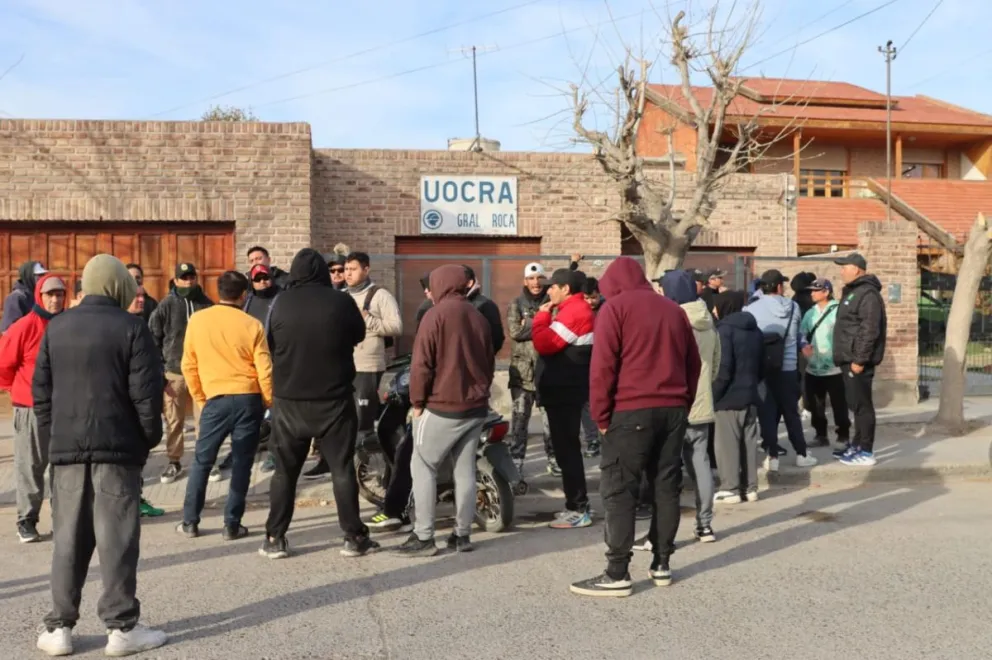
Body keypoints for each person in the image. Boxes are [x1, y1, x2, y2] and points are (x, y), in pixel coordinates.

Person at [33, 254, 167, 657]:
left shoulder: (56, 328)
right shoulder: (132, 328)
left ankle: (59, 628)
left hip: (67, 451)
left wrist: (53, 438)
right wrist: (145, 443)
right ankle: (121, 627)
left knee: (67, 540)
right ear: (118, 287)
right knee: (118, 539)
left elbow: (41, 394)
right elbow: (147, 396)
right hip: (117, 450)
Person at [571, 257, 700, 598]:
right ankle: (661, 563)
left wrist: (600, 416)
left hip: (630, 412)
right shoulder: (674, 310)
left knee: (619, 490)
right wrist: (682, 402)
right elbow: (694, 363)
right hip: (672, 410)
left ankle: (617, 572)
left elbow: (602, 369)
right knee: (665, 487)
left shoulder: (615, 310)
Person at [261, 249, 373, 559]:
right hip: (334, 399)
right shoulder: (341, 300)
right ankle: (353, 537)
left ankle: (275, 538)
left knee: (284, 472)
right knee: (341, 469)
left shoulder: (280, 302)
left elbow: (269, 342)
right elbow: (358, 335)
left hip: (289, 401)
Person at [394, 265, 495, 557]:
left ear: (440, 285)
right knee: (465, 471)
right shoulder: (478, 316)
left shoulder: (434, 315)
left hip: (441, 406)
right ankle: (461, 535)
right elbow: (488, 363)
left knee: (423, 466)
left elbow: (421, 365)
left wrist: (416, 402)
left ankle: (424, 536)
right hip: (475, 407)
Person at [178, 271, 272, 541]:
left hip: (215, 399)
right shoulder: (252, 324)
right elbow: (264, 367)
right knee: (243, 463)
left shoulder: (198, 320)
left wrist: (201, 397)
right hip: (248, 397)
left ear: (218, 291)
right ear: (244, 295)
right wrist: (267, 399)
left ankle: (190, 521)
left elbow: (188, 364)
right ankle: (232, 523)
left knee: (202, 461)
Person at [304, 250, 402, 480]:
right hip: (339, 366)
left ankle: (365, 466)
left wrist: (367, 317)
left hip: (366, 367)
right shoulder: (340, 296)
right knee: (335, 417)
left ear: (366, 269)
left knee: (361, 419)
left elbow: (396, 327)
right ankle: (328, 462)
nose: (347, 274)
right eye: (345, 270)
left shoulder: (379, 295)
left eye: (352, 269)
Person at [0, 274, 66, 543]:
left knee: (63, 466)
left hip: (64, 407)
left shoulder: (68, 324)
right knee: (31, 466)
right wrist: (17, 393)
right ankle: (26, 519)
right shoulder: (24, 326)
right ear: (40, 295)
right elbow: (4, 364)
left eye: (60, 294)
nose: (55, 299)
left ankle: (64, 520)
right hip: (30, 408)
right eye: (50, 294)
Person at [658, 270, 720, 543]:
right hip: (702, 401)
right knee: (701, 463)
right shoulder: (708, 320)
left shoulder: (672, 319)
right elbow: (716, 364)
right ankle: (705, 525)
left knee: (666, 469)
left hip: (674, 402)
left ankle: (660, 534)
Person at [533, 268, 595, 530]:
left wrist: (541, 317)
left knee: (568, 450)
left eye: (553, 286)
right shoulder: (573, 309)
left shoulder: (574, 311)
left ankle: (579, 507)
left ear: (565, 289)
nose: (548, 290)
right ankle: (574, 504)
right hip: (563, 390)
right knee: (565, 449)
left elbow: (545, 343)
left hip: (565, 391)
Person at [745, 269, 817, 471]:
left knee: (767, 412)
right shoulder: (794, 307)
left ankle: (772, 456)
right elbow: (798, 334)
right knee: (791, 413)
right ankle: (801, 454)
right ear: (779, 286)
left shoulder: (751, 309)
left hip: (764, 368)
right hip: (788, 368)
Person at [149, 263, 213, 485]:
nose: (188, 282)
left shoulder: (206, 304)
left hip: (202, 372)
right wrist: (160, 372)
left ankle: (205, 460)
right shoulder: (165, 306)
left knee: (204, 419)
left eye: (191, 277)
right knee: (174, 420)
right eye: (183, 278)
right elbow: (153, 339)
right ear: (175, 281)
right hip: (174, 372)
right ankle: (174, 461)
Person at [831, 253, 887, 466]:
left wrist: (860, 360)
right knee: (855, 404)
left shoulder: (868, 294)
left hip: (857, 361)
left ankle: (866, 450)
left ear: (857, 269)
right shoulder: (853, 292)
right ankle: (856, 444)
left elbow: (869, 329)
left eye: (845, 266)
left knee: (862, 406)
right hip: (848, 358)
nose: (841, 271)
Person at [711, 290, 765, 504]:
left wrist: (714, 395)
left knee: (727, 445)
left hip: (729, 398)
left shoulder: (724, 331)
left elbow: (724, 369)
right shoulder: (756, 330)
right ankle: (750, 487)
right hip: (751, 394)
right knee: (749, 444)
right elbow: (763, 366)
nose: (714, 310)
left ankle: (730, 488)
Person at [506, 263, 555, 478]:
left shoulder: (552, 303)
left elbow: (557, 330)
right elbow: (515, 332)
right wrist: (541, 323)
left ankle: (553, 460)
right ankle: (516, 461)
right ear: (525, 281)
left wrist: (530, 324)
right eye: (532, 278)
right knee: (519, 421)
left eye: (539, 278)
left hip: (547, 373)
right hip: (522, 374)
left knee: (551, 423)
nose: (536, 283)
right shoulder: (516, 303)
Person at [126, 286, 166, 519]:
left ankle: (136, 497)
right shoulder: (123, 326)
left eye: (143, 296)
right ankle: (132, 501)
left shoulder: (142, 323)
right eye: (136, 296)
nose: (141, 300)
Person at [799, 279, 850, 448]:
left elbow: (846, 334)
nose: (812, 293)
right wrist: (803, 345)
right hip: (813, 367)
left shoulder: (838, 310)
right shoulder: (810, 313)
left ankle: (843, 434)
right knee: (816, 405)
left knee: (839, 404)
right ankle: (820, 434)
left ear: (826, 292)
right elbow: (802, 333)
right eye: (811, 290)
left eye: (816, 290)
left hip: (834, 367)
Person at [580, 277, 603, 458]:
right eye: (586, 298)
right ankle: (592, 440)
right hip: (584, 364)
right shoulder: (578, 311)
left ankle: (603, 439)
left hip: (603, 364)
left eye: (593, 298)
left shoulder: (607, 309)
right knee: (586, 405)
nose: (590, 302)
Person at [463, 266, 506, 354]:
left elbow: (496, 338)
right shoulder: (449, 305)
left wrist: (480, 358)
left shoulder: (486, 305)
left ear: (469, 283)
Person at [2, 261, 47, 331]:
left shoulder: (40, 295)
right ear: (29, 276)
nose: (42, 278)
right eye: (39, 275)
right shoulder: (16, 298)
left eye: (43, 275)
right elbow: (8, 329)